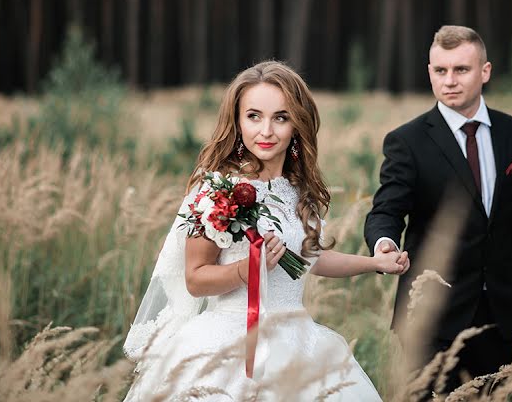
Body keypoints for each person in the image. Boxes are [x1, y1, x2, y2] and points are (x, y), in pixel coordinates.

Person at [123, 60, 410, 402]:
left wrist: (374, 263)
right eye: (254, 116)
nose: (267, 131)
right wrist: (248, 269)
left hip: (298, 342)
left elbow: (311, 258)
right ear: (238, 121)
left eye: (281, 117)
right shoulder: (218, 191)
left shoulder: (298, 190)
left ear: (297, 125)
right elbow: (196, 279)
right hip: (229, 344)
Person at [364, 25, 512, 390]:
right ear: (430, 72)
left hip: (498, 314)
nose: (449, 80)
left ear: (485, 72)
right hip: (431, 317)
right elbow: (386, 208)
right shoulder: (407, 141)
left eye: (461, 70)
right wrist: (383, 241)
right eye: (440, 70)